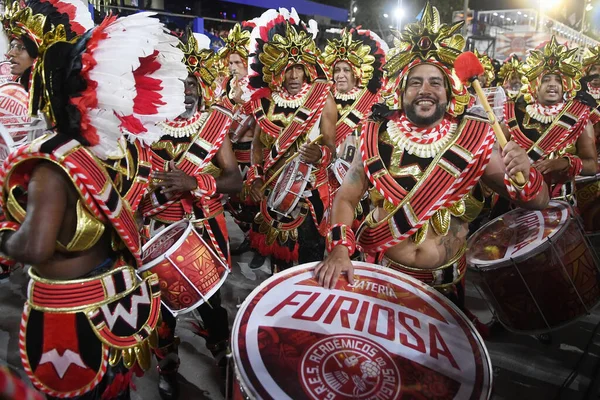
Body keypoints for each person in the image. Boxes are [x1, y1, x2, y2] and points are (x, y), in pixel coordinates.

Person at [315, 3, 549, 317]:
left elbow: (537, 203)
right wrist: (340, 250)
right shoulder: (375, 133)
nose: (425, 90)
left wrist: (528, 173)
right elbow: (346, 195)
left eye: (435, 82)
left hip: (444, 287)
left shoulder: (475, 138)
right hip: (382, 276)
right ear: (401, 90)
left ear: (450, 91)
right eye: (416, 82)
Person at [0, 11, 187, 400]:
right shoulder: (116, 153)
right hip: (117, 305)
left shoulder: (53, 167)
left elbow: (33, 248)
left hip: (68, 318)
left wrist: (5, 241)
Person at [140, 27, 242, 400]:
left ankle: (222, 361)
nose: (186, 90)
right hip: (157, 232)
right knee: (162, 314)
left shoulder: (213, 126)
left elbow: (235, 181)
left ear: (201, 87)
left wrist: (194, 184)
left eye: (192, 84)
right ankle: (168, 369)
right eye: (178, 83)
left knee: (213, 307)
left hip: (204, 230)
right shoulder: (145, 129)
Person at [245, 8, 337, 272]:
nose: (294, 76)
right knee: (279, 265)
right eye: (288, 69)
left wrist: (320, 155)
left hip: (310, 194)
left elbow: (331, 147)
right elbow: (257, 145)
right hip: (274, 193)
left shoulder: (323, 99)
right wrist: (255, 177)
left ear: (308, 68)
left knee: (309, 265)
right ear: (277, 71)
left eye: (299, 68)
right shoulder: (265, 102)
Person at [504, 36, 597, 201]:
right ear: (534, 85)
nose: (553, 84)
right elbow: (496, 153)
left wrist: (565, 163)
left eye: (558, 80)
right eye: (546, 79)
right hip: (520, 201)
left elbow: (592, 165)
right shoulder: (514, 114)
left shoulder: (580, 117)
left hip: (561, 204)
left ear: (566, 86)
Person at [321, 27, 387, 235]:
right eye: (337, 69)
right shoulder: (321, 99)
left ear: (358, 73)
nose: (340, 75)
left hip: (359, 180)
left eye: (346, 70)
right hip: (324, 178)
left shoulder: (374, 102)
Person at [216, 22, 260, 258]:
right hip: (229, 152)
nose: (233, 67)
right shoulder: (225, 85)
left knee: (250, 201)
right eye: (230, 62)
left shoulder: (257, 87)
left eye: (237, 63)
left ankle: (257, 243)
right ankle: (248, 237)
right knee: (232, 202)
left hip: (249, 154)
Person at [2, 0, 93, 87]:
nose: (11, 53)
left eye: (20, 47)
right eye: (12, 46)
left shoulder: (63, 100)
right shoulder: (9, 93)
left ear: (42, 53)